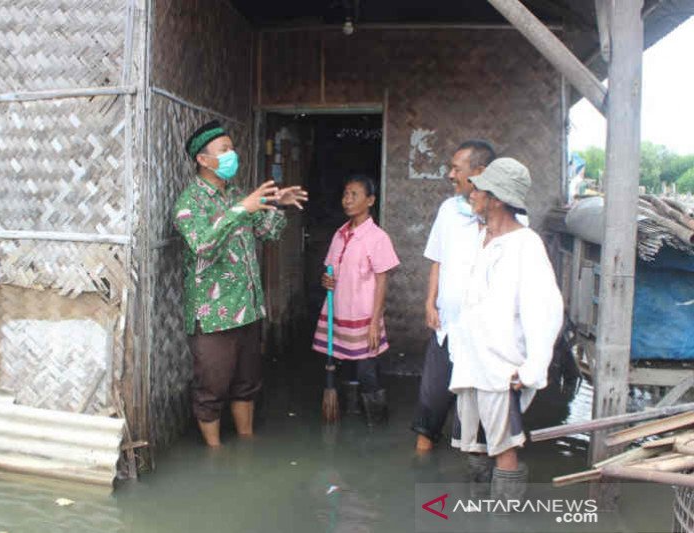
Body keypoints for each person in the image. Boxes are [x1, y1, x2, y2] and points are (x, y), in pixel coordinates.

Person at [173, 120, 308, 447]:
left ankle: (246, 445)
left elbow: (269, 232)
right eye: (225, 150)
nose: (233, 155)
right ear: (204, 160)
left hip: (247, 309)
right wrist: (240, 210)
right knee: (212, 389)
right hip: (214, 315)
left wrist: (276, 204)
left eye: (232, 148)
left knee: (248, 384)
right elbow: (203, 245)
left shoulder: (235, 194)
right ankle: (215, 456)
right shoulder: (189, 203)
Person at [449, 157, 563, 502]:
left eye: (479, 189)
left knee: (505, 448)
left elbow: (546, 310)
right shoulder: (481, 237)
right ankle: (477, 513)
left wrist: (532, 367)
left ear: (496, 198)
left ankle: (504, 517)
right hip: (471, 360)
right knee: (476, 445)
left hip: (502, 365)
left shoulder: (525, 245)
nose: (472, 193)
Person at [411, 140, 496, 453]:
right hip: (445, 328)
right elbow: (438, 259)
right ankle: (420, 473)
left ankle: (474, 485)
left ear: (480, 172)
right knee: (429, 409)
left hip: (481, 338)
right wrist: (429, 302)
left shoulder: (503, 217)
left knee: (478, 423)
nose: (450, 174)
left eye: (456, 169)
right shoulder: (448, 210)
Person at [312, 175, 400, 426]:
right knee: (343, 366)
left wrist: (375, 321)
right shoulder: (339, 235)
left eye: (354, 195)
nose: (347, 200)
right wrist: (326, 280)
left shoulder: (377, 237)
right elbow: (330, 272)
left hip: (363, 316)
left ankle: (377, 420)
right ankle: (352, 415)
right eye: (345, 194)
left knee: (366, 370)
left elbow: (382, 281)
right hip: (338, 312)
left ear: (370, 200)